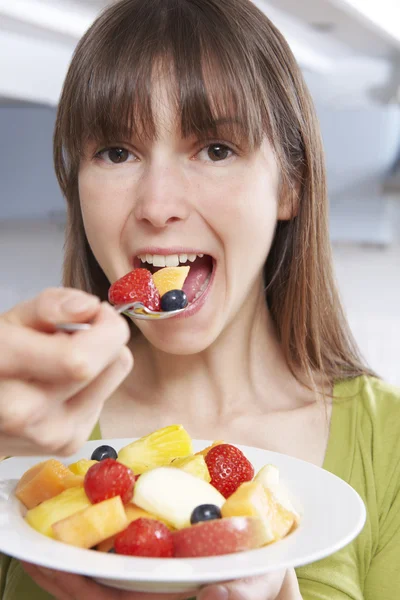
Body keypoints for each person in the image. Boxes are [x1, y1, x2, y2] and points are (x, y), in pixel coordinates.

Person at [1, 0, 399, 598]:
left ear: (289, 182)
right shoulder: (26, 431)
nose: (157, 205)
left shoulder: (388, 442)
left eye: (215, 149)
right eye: (117, 152)